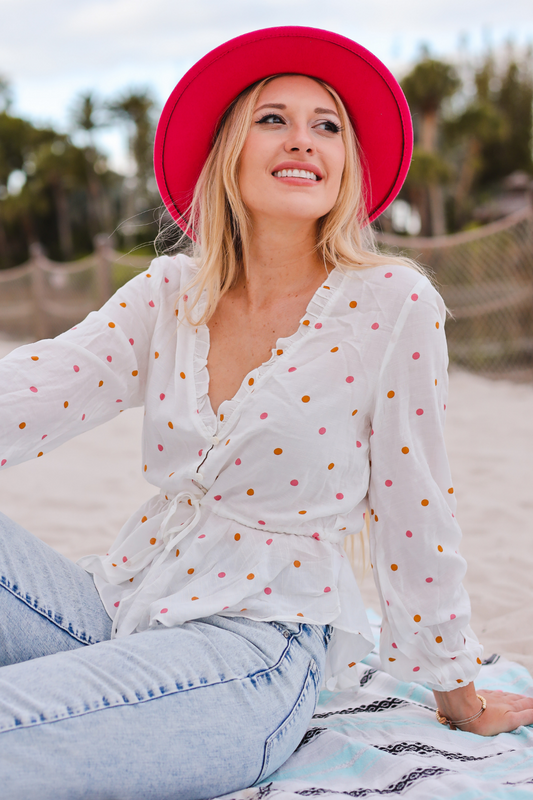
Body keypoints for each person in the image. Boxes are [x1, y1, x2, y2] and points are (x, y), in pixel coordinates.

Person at [0, 26, 532, 800]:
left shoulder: (392, 304)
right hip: (121, 604)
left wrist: (454, 688)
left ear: (346, 162)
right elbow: (34, 387)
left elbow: (414, 508)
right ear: (229, 149)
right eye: (272, 117)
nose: (303, 140)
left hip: (254, 650)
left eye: (327, 125)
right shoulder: (167, 296)